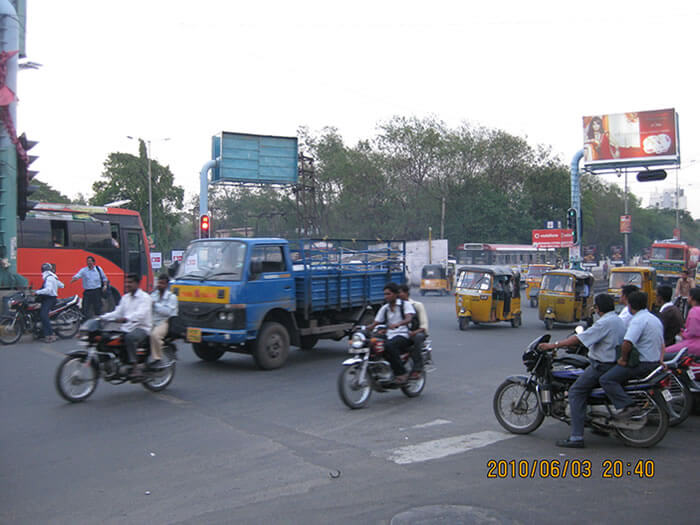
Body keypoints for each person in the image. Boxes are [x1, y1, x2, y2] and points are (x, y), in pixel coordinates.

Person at [539, 293, 625, 448]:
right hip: (612, 363)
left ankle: (576, 437)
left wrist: (554, 345)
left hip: (602, 366)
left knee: (575, 392)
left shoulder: (604, 322)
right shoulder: (617, 320)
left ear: (598, 308)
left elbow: (579, 338)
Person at [599, 291, 664, 419]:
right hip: (654, 362)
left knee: (606, 379)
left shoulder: (638, 320)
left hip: (642, 364)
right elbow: (662, 344)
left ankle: (628, 405)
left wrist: (623, 359)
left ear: (630, 305)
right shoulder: (654, 319)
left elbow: (627, 343)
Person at [100, 273, 152, 378]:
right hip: (126, 328)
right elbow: (117, 312)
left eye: (130, 282)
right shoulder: (125, 298)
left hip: (141, 328)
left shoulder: (145, 298)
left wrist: (126, 318)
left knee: (130, 338)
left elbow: (141, 314)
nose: (127, 284)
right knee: (105, 337)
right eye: (126, 282)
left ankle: (135, 367)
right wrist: (102, 317)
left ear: (137, 284)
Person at [367, 282, 416, 384]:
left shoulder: (405, 305)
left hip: (403, 335)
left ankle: (401, 373)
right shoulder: (385, 308)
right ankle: (377, 368)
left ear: (395, 294)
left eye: (388, 294)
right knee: (371, 343)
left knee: (389, 345)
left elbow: (409, 318)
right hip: (389, 335)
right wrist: (364, 329)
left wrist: (398, 324)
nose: (386, 296)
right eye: (385, 294)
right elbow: (375, 323)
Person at [398, 284, 430, 378]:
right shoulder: (396, 307)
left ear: (406, 293)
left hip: (417, 332)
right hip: (402, 333)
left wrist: (414, 332)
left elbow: (424, 326)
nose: (398, 295)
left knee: (417, 338)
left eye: (400, 292)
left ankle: (417, 369)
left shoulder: (417, 306)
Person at [150, 274, 178, 367]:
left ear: (166, 285)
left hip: (164, 321)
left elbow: (167, 312)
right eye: (158, 282)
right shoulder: (154, 294)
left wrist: (155, 305)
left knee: (155, 335)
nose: (159, 285)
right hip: (152, 320)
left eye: (162, 283)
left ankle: (158, 359)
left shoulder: (172, 297)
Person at [666, 287, 700, 358]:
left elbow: (694, 332)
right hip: (694, 342)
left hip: (694, 344)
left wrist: (682, 334)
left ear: (691, 297)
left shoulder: (694, 311)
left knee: (664, 352)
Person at [35, 262, 64, 342]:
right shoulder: (52, 277)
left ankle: (51, 335)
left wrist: (37, 292)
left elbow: (48, 290)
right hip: (50, 298)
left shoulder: (49, 278)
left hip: (49, 299)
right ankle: (41, 333)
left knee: (43, 315)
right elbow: (62, 285)